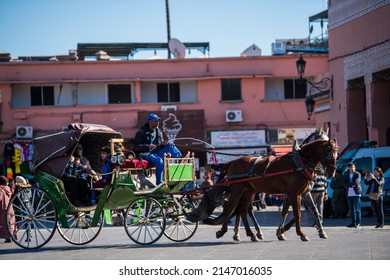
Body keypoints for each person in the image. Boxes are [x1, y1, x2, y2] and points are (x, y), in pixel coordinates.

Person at [134, 113, 182, 185]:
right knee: (159, 161)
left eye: (158, 121)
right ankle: (159, 183)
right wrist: (147, 147)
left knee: (170, 145)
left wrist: (163, 144)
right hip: (145, 154)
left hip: (156, 152)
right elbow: (136, 147)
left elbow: (160, 144)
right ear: (150, 122)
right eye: (155, 121)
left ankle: (180, 159)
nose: (157, 122)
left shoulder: (158, 132)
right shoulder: (141, 132)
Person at [344, 163, 362, 228]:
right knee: (351, 209)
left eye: (353, 167)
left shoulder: (357, 174)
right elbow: (344, 183)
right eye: (351, 167)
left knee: (357, 209)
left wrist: (349, 185)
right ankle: (353, 223)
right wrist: (351, 185)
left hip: (356, 193)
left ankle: (358, 223)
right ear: (349, 168)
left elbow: (356, 182)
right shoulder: (346, 174)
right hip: (349, 194)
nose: (352, 168)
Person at [0, 175, 17, 243]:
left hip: (3, 208)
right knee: (11, 222)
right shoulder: (8, 188)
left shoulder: (0, 188)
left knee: (4, 223)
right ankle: (12, 235)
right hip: (10, 208)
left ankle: (8, 237)